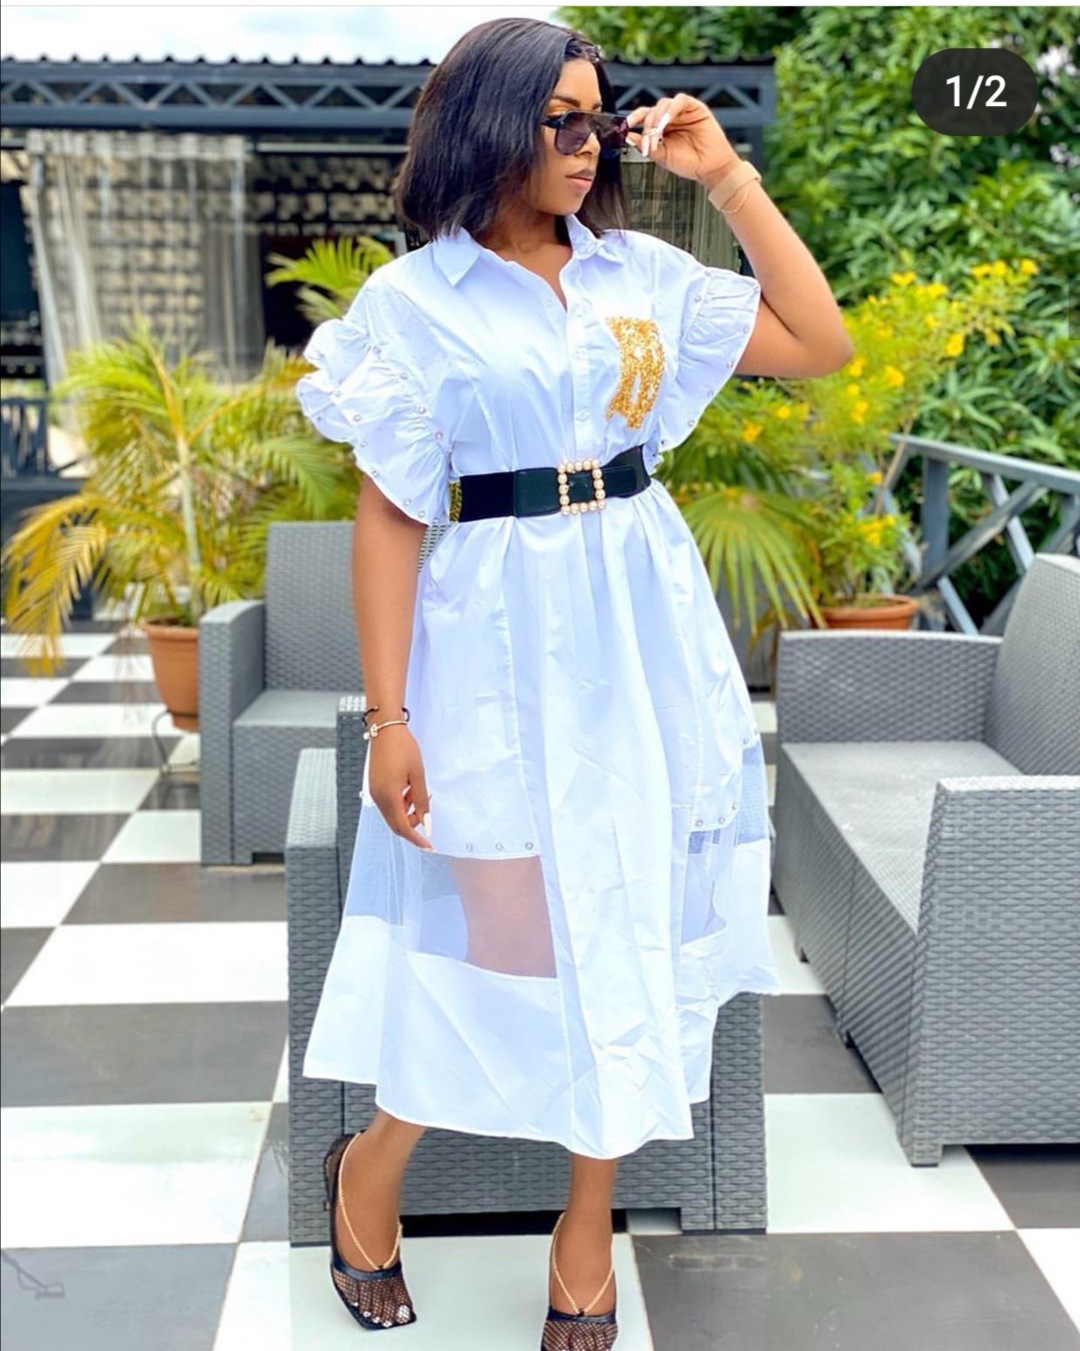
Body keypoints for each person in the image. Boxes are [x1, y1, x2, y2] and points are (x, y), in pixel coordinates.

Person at [295, 16, 853, 1346]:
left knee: (630, 918)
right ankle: (371, 1162)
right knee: (504, 935)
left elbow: (817, 340)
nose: (585, 141)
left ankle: (586, 1226)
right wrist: (389, 718)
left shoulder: (640, 275)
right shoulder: (412, 303)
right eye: (557, 117)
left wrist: (729, 180)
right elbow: (389, 516)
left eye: (595, 117)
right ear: (485, 123)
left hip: (641, 628)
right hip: (488, 634)